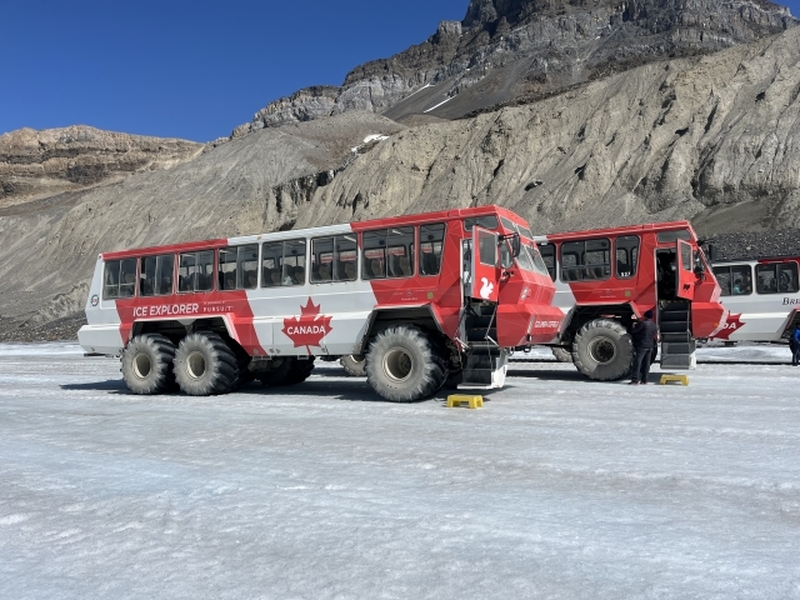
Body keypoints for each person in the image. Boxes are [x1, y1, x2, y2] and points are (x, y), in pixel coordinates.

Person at [630, 309, 658, 384]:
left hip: (642, 346)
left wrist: (633, 326)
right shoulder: (653, 325)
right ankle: (645, 380)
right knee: (646, 363)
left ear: (645, 316)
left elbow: (634, 331)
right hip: (650, 346)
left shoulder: (643, 324)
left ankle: (635, 380)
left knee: (637, 362)